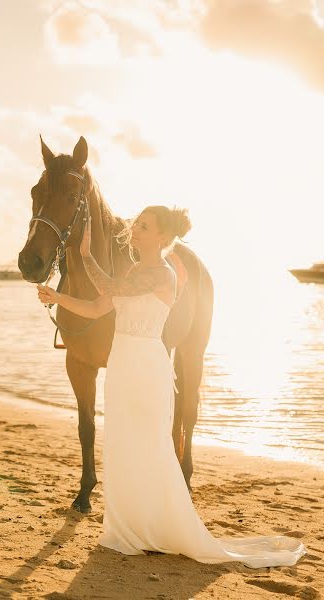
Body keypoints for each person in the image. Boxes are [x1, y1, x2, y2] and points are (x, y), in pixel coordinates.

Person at [37, 204, 307, 568]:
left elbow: (109, 286)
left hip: (146, 369)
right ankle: (128, 526)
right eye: (137, 224)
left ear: (163, 237)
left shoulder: (163, 274)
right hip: (122, 365)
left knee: (150, 445)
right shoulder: (137, 270)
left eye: (144, 227)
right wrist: (59, 298)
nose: (135, 230)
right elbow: (99, 307)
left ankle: (155, 525)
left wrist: (85, 254)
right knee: (123, 444)